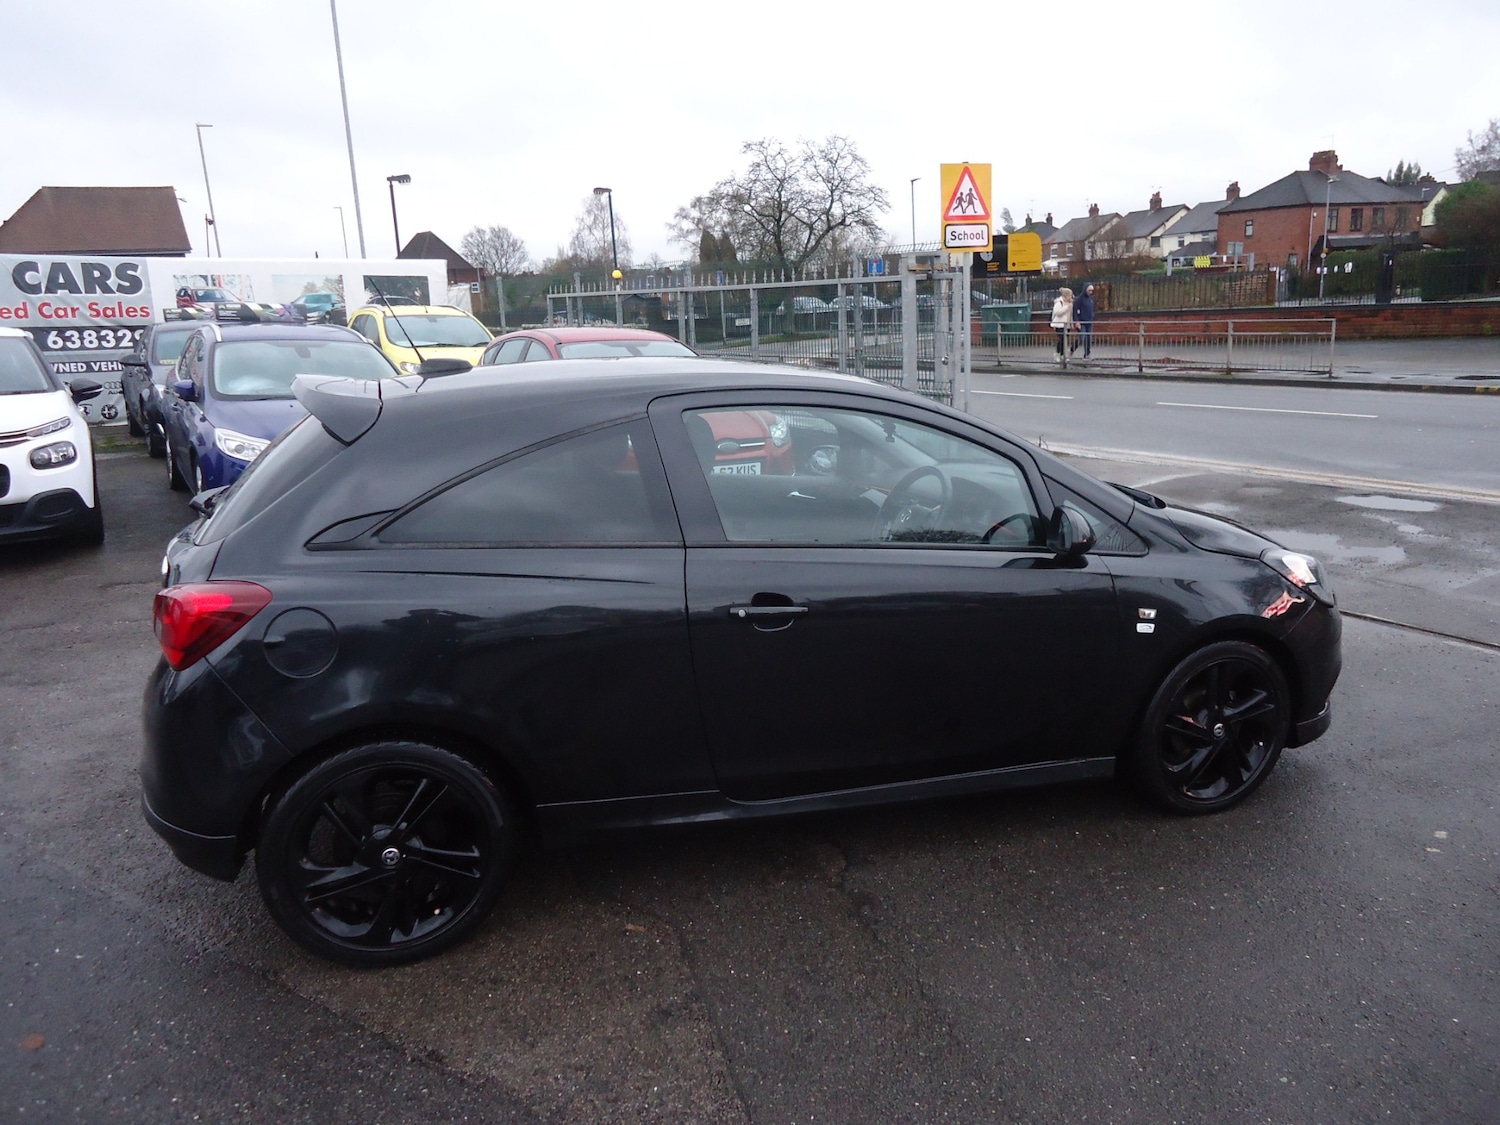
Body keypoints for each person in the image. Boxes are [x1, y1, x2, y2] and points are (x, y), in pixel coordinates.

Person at [1071, 283, 1096, 358]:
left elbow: (1092, 309)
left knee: (1088, 338)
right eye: (1089, 290)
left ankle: (1087, 354)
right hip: (1081, 322)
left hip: (1089, 321)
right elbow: (1075, 311)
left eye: (1092, 291)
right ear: (1085, 290)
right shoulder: (1079, 299)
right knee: (1082, 337)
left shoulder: (1091, 299)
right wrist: (1077, 321)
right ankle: (1072, 349)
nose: (1090, 292)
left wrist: (1092, 316)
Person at [1050, 287, 1074, 362]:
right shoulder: (1059, 302)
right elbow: (1057, 312)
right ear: (1066, 296)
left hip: (1067, 325)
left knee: (1065, 340)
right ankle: (1057, 354)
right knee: (1062, 339)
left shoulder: (1070, 303)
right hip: (1059, 325)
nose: (1071, 297)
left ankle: (1063, 355)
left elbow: (1070, 315)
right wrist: (1066, 307)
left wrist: (1071, 324)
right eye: (1070, 295)